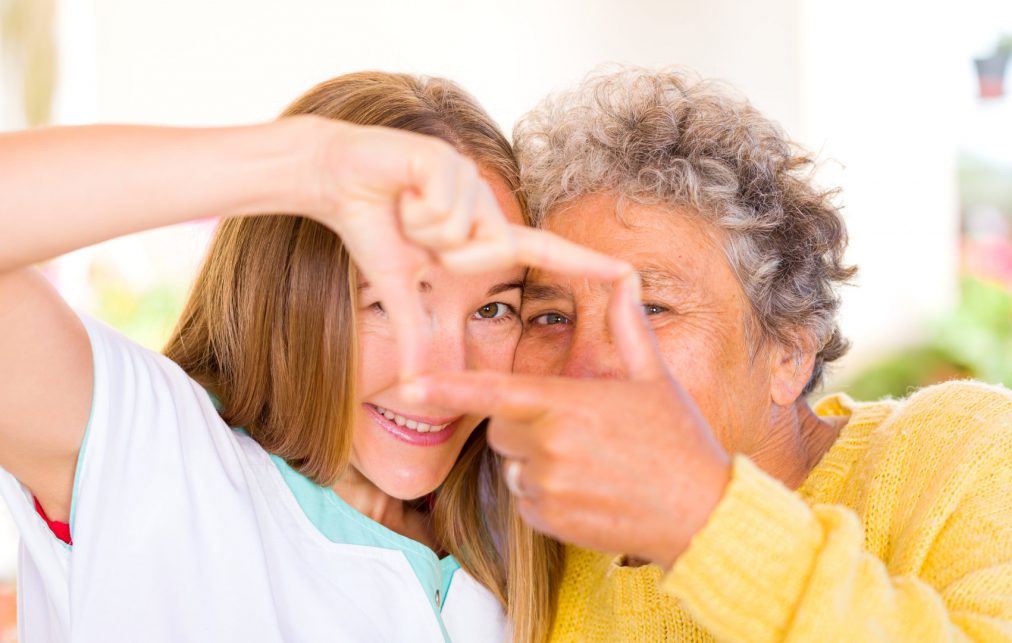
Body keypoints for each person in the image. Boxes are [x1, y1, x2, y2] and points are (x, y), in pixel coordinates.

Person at [0, 72, 628, 642]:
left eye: (493, 310)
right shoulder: (158, 454)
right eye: (387, 302)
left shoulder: (516, 541)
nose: (446, 381)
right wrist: (308, 164)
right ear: (287, 292)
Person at [410, 67, 1012, 641]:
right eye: (551, 316)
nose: (583, 367)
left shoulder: (964, 451)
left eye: (651, 308)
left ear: (789, 351)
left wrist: (699, 517)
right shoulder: (537, 541)